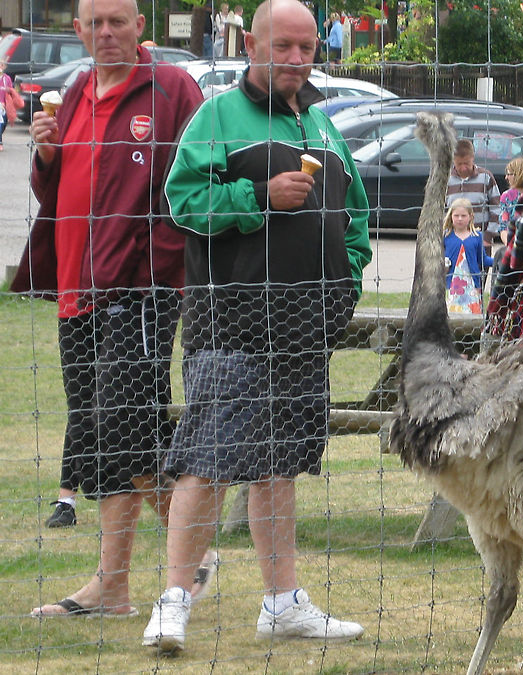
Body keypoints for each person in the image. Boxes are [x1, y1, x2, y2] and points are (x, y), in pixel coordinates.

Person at [142, 0, 372, 653]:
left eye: (307, 48)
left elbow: (354, 217)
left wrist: (344, 285)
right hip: (231, 329)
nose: (297, 59)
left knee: (279, 468)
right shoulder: (216, 117)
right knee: (206, 463)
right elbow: (182, 204)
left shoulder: (323, 126)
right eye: (284, 47)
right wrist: (257, 199)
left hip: (307, 334)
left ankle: (283, 603)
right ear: (253, 44)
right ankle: (174, 600)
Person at [11, 0, 209, 618]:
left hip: (141, 292)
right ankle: (117, 588)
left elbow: (198, 179)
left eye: (117, 21)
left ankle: (192, 559)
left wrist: (162, 266)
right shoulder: (74, 91)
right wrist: (44, 155)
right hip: (77, 289)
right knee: (103, 437)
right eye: (94, 23)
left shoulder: (172, 89)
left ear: (140, 26)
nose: (105, 33)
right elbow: (56, 189)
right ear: (77, 31)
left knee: (122, 424)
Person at [445, 139, 502, 262]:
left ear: (473, 158)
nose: (463, 168)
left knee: (478, 279)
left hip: (480, 242)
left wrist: (488, 236)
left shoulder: (485, 177)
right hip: (453, 242)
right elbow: (442, 211)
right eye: (459, 164)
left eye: (467, 163)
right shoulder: (446, 180)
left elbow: (497, 209)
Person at [443, 198, 493, 313]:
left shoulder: (476, 236)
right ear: (451, 216)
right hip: (451, 286)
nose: (460, 219)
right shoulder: (446, 236)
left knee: (472, 314)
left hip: (472, 287)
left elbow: (483, 259)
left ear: (470, 216)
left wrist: (502, 260)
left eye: (463, 215)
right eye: (456, 215)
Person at [499, 157, 523, 246]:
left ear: (519, 175)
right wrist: (510, 246)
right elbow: (503, 227)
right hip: (514, 245)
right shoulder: (506, 196)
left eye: (509, 174)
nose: (506, 177)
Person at [1, 57, 15, 151]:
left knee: (4, 123)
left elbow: (11, 91)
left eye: (2, 65)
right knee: (0, 124)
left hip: (4, 106)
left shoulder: (7, 78)